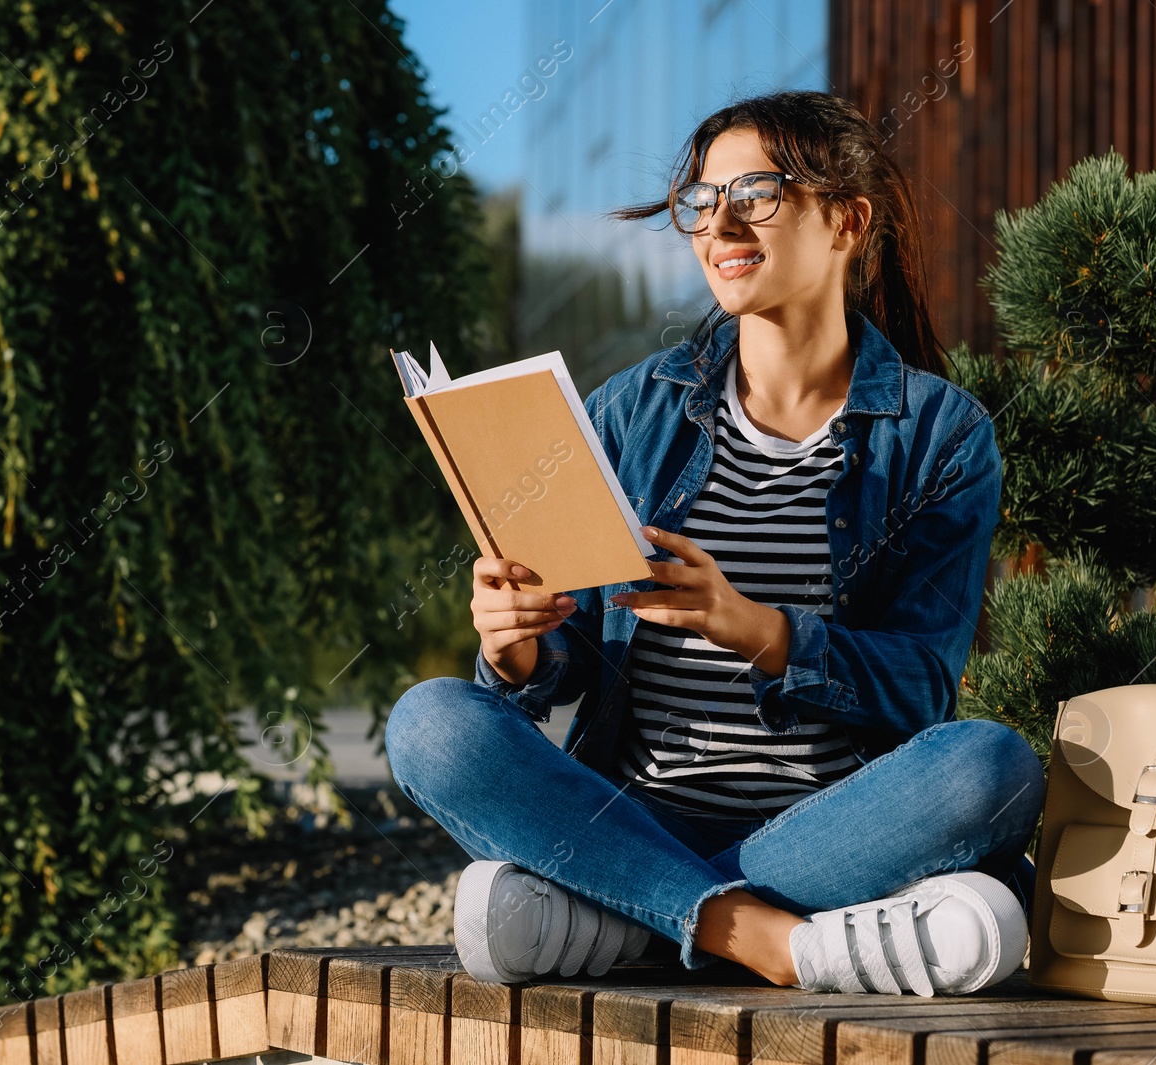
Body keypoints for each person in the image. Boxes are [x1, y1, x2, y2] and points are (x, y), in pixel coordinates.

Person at [383, 89, 1045, 996]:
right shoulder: (633, 410)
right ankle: (765, 935)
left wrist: (760, 629)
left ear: (846, 222)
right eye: (700, 200)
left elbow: (923, 685)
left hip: (829, 831)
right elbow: (567, 664)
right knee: (431, 721)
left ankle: (631, 918)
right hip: (634, 810)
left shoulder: (939, 434)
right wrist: (515, 643)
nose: (717, 221)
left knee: (992, 763)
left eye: (757, 194)